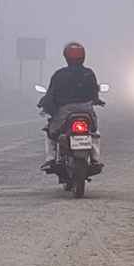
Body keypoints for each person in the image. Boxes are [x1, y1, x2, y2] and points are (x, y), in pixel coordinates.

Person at [38, 41, 103, 170]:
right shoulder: (89, 73)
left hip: (64, 112)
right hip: (87, 111)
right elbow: (94, 92)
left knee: (50, 132)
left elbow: (51, 94)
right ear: (83, 57)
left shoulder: (59, 74)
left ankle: (50, 159)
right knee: (94, 133)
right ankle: (95, 159)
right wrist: (97, 100)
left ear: (66, 57)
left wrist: (44, 103)